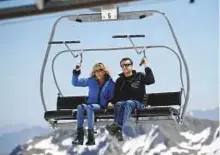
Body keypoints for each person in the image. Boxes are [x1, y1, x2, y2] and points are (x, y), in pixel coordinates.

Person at [106, 57, 155, 141]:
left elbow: (151, 80)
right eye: (122, 65)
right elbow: (117, 96)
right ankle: (118, 132)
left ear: (132, 66)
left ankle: (117, 126)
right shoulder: (119, 81)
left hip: (139, 104)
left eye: (127, 65)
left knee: (128, 103)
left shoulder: (140, 76)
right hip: (125, 104)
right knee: (118, 104)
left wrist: (146, 65)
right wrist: (111, 102)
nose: (124, 67)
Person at [72, 63, 115, 145]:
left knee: (90, 107)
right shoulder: (91, 80)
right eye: (96, 71)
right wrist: (76, 72)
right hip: (90, 104)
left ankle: (91, 137)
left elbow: (113, 97)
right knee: (80, 107)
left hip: (101, 106)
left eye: (101, 70)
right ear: (94, 72)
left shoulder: (110, 83)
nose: (99, 72)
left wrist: (110, 103)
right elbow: (75, 83)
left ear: (104, 71)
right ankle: (79, 137)